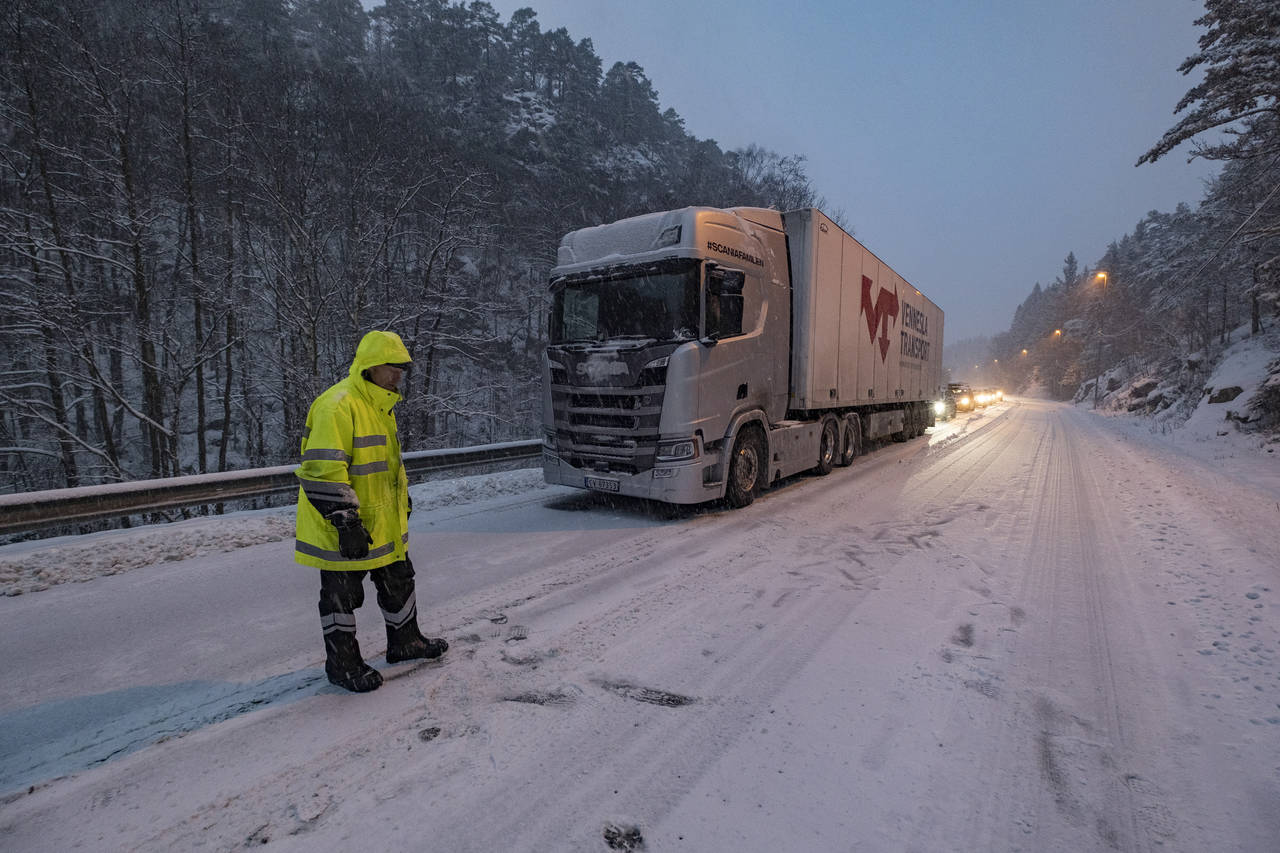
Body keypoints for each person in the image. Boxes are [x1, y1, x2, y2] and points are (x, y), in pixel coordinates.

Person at [294, 330, 447, 692]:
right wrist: (344, 519)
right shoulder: (338, 404)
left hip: (382, 521)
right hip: (342, 526)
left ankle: (406, 642)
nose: (397, 375)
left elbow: (383, 466)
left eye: (401, 369)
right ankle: (342, 666)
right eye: (391, 367)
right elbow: (321, 469)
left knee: (399, 580)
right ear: (369, 367)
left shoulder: (381, 405)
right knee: (340, 598)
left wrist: (400, 501)